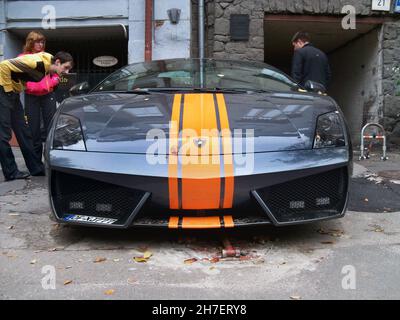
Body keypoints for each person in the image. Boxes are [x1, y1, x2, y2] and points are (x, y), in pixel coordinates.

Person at [0, 51, 73, 181]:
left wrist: (15, 90)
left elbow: (21, 76)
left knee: (23, 131)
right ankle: (11, 172)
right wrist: (9, 90)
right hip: (3, 90)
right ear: (57, 62)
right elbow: (4, 65)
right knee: (3, 134)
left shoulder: (46, 67)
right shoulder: (36, 63)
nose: (66, 72)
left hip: (12, 93)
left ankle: (36, 169)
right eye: (65, 67)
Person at [20, 31, 60, 159]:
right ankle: (36, 162)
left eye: (42, 42)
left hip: (48, 95)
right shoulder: (22, 58)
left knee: (51, 126)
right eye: (38, 41)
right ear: (30, 42)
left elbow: (57, 74)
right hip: (31, 96)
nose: (41, 44)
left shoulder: (48, 57)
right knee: (33, 128)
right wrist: (27, 85)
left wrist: (52, 82)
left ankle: (50, 159)